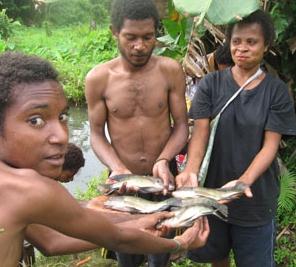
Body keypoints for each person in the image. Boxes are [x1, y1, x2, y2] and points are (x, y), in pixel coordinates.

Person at [0, 51, 210, 267]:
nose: (62, 136)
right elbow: (115, 237)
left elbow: (51, 241)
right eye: (35, 120)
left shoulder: (18, 189)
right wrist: (179, 243)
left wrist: (138, 220)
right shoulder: (26, 188)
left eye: (62, 117)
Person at [176, 10, 296, 267]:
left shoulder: (276, 92)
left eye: (251, 42)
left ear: (266, 46)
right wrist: (192, 170)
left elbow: (270, 147)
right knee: (217, 258)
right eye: (236, 41)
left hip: (255, 199)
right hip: (211, 192)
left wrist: (243, 182)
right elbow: (200, 132)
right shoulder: (211, 84)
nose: (242, 48)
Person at [85, 0, 188, 266]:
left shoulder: (170, 70)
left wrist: (163, 160)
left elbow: (181, 126)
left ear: (156, 33)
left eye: (148, 37)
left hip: (163, 181)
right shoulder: (98, 78)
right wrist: (118, 168)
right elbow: (96, 134)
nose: (140, 46)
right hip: (123, 185)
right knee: (126, 251)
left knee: (160, 253)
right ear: (114, 32)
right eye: (130, 37)